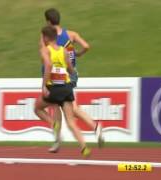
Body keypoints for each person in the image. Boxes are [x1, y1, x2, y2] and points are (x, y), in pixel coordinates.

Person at [39, 8, 104, 153]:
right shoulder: (71, 34)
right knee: (66, 107)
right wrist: (78, 54)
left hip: (54, 75)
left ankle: (62, 138)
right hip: (71, 73)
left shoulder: (47, 37)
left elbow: (45, 55)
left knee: (61, 107)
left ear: (48, 22)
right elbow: (86, 46)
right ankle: (61, 140)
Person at [34, 25, 91, 157]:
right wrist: (68, 72)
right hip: (66, 87)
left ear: (46, 38)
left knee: (37, 108)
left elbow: (48, 65)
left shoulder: (45, 50)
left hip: (53, 88)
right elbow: (71, 69)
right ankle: (84, 147)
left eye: (42, 37)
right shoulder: (63, 50)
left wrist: (44, 86)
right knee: (71, 121)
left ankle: (53, 124)